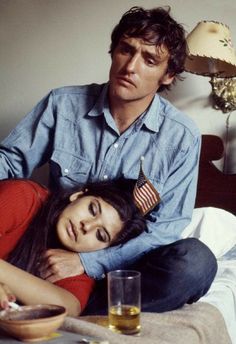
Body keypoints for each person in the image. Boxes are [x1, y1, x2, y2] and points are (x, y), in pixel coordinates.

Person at [0, 6, 217, 313]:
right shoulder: (62, 104)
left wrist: (87, 263)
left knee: (195, 263)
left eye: (149, 59)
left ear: (168, 75)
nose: (130, 66)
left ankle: (76, 302)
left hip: (125, 267)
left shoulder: (181, 137)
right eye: (126, 50)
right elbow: (9, 162)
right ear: (113, 51)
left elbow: (166, 229)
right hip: (51, 251)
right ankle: (41, 292)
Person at [0, 178, 145, 316]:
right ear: (78, 195)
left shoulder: (73, 266)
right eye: (92, 209)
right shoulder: (23, 196)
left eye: (100, 235)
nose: (87, 226)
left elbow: (69, 308)